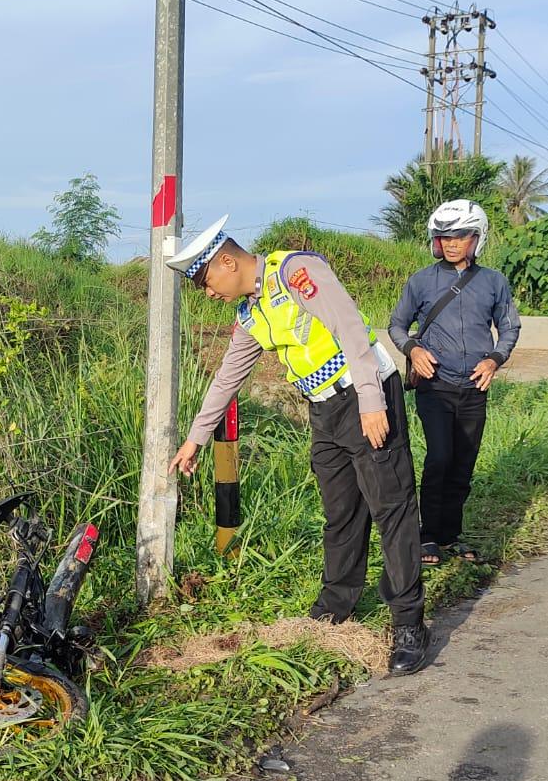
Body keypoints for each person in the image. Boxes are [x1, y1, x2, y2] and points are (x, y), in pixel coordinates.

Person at [165, 215, 430, 676]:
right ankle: (335, 606)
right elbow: (228, 377)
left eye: (206, 281)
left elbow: (349, 327)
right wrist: (195, 439)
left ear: (227, 262)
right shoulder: (251, 313)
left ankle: (409, 624)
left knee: (392, 508)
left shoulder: (294, 272)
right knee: (340, 512)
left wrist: (371, 402)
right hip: (324, 410)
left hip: (364, 395)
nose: (208, 293)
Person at [388, 199, 521, 566]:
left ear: (477, 238)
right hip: (435, 385)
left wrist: (495, 359)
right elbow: (397, 325)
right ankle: (428, 535)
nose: (451, 244)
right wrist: (413, 349)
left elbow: (510, 326)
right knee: (439, 457)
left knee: (463, 464)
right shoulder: (421, 281)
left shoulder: (494, 282)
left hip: (474, 387)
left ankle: (450, 535)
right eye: (444, 237)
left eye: (460, 236)